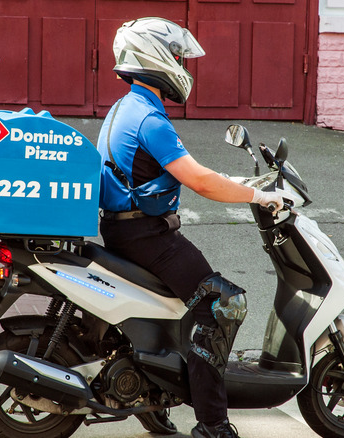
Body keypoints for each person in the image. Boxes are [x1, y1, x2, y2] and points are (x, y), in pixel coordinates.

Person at [97, 17, 283, 438]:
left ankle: (152, 401)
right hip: (147, 236)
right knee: (221, 305)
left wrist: (242, 185)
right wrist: (258, 197)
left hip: (126, 229)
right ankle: (213, 426)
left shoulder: (126, 108)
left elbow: (191, 171)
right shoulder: (150, 119)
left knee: (180, 307)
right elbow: (199, 181)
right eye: (178, 56)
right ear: (155, 58)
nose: (183, 64)